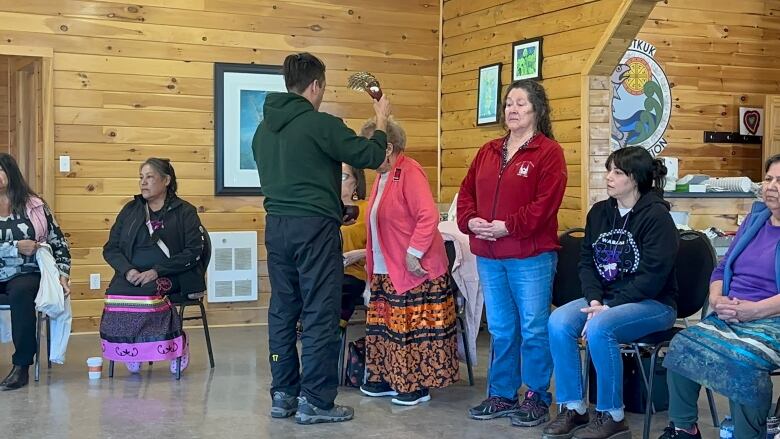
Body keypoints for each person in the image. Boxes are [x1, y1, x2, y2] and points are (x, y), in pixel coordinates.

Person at [252, 52, 391, 425]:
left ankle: (283, 395)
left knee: (283, 310)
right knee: (319, 312)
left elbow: (298, 180)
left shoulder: (262, 131)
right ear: (315, 86)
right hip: (314, 231)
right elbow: (372, 155)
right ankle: (316, 401)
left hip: (277, 227)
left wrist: (333, 205)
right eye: (323, 87)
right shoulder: (320, 124)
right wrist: (380, 120)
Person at [543, 146, 678, 439]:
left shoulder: (657, 218)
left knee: (601, 328)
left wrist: (609, 307)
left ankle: (612, 415)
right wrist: (594, 300)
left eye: (617, 172)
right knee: (558, 322)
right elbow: (587, 262)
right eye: (608, 170)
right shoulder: (600, 213)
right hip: (605, 300)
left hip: (653, 303)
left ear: (636, 178)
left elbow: (653, 276)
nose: (609, 177)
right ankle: (574, 407)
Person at [457, 79, 567, 425]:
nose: (512, 109)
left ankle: (536, 395)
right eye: (508, 104)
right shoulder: (488, 151)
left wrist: (508, 226)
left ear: (537, 110)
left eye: (520, 103)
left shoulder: (549, 152)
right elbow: (466, 193)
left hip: (529, 255)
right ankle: (502, 394)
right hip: (489, 254)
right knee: (503, 329)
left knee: (534, 328)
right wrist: (470, 220)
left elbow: (545, 205)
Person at [658, 155, 780, 439]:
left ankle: (747, 434)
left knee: (742, 360)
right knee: (684, 344)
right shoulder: (756, 218)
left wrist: (754, 311)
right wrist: (716, 298)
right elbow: (723, 268)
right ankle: (684, 428)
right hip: (733, 312)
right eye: (770, 179)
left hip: (772, 318)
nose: (772, 186)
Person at [358, 117, 459, 406]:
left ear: (387, 147)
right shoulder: (381, 175)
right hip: (384, 265)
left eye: (370, 147)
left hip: (413, 267)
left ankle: (415, 384)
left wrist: (413, 252)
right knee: (385, 327)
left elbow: (428, 216)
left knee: (409, 329)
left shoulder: (409, 170)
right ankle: (388, 378)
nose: (365, 155)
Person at [100, 158, 206, 376]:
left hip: (174, 273)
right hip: (134, 273)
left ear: (166, 180)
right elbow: (111, 248)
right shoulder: (131, 210)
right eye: (141, 177)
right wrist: (128, 271)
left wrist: (156, 271)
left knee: (151, 292)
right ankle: (132, 348)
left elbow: (194, 251)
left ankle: (177, 344)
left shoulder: (185, 211)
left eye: (149, 177)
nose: (143, 183)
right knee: (116, 293)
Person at [0, 153, 70, 390]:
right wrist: (14, 247)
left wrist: (63, 274)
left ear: (11, 173)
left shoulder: (35, 205)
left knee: (21, 293)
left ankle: (22, 366)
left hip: (26, 272)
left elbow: (59, 241)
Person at [340, 163, 368, 326]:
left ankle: (333, 334)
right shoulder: (322, 209)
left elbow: (382, 245)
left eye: (344, 177)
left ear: (356, 182)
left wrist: (359, 253)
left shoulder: (367, 209)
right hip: (323, 271)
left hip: (351, 272)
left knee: (341, 288)